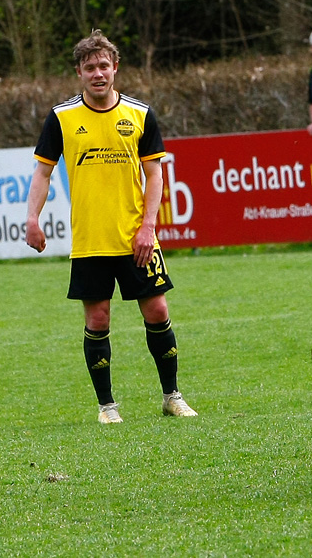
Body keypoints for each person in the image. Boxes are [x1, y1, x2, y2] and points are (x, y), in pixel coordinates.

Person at [24, 29, 198, 424]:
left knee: (157, 310)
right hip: (90, 239)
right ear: (79, 73)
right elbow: (42, 174)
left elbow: (155, 176)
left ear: (115, 68)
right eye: (90, 67)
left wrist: (148, 227)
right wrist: (32, 218)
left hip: (137, 236)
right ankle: (107, 407)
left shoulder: (139, 114)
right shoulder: (61, 118)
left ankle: (172, 396)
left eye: (104, 65)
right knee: (97, 318)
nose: (98, 73)